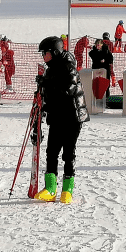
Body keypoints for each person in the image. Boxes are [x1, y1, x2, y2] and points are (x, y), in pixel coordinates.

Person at [35, 36, 89, 204]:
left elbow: (68, 90)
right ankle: (50, 188)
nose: (43, 56)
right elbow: (52, 95)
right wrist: (43, 104)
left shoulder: (68, 66)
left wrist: (47, 83)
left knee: (68, 153)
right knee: (51, 152)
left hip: (72, 117)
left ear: (55, 52)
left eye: (46, 53)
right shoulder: (50, 68)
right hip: (57, 116)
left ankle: (67, 190)